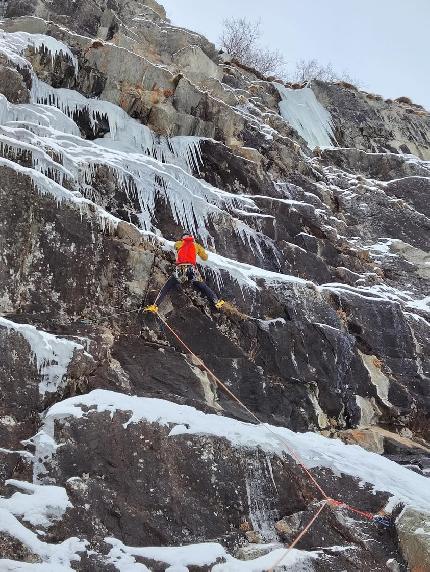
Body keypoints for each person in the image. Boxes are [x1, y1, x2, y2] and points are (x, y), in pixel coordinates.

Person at [144, 232, 225, 314]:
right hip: (192, 269)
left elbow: (175, 247)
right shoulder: (196, 245)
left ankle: (155, 306)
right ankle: (216, 302)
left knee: (167, 287)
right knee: (203, 286)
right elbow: (205, 257)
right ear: (191, 237)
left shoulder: (179, 243)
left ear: (183, 238)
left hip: (181, 269)